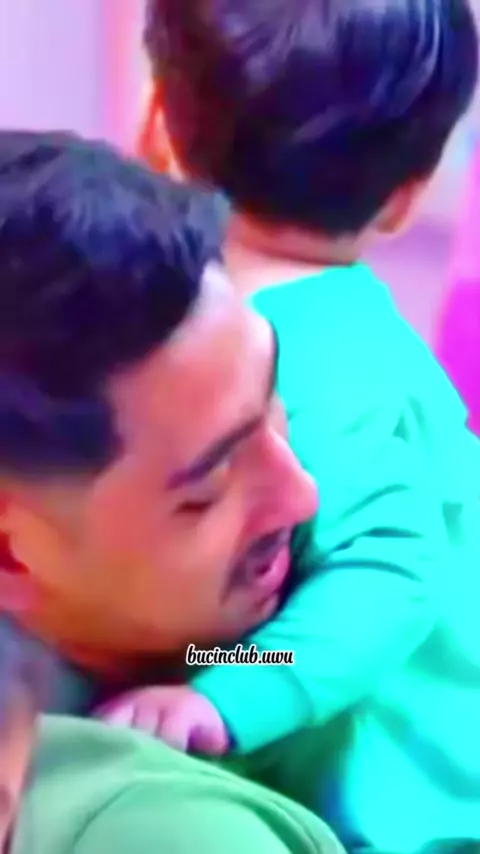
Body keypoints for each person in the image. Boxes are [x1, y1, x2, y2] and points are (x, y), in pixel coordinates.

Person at [99, 1, 480, 852]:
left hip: (422, 817)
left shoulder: (334, 369)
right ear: (405, 199)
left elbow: (387, 583)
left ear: (160, 124)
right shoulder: (280, 336)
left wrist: (221, 693)